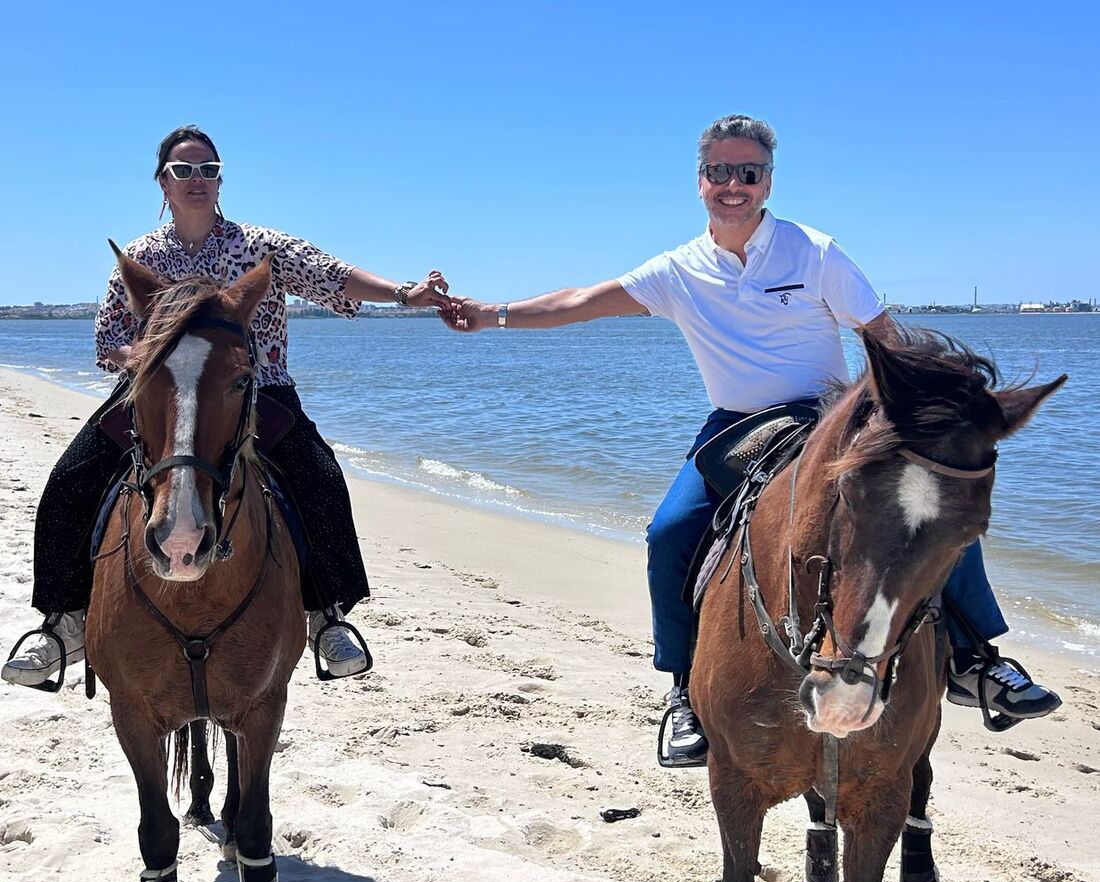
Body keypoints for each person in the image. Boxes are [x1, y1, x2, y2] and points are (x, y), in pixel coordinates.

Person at [445, 113, 1061, 766]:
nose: (733, 184)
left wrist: (922, 415)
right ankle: (683, 691)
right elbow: (582, 301)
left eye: (749, 172)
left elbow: (883, 336)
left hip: (825, 421)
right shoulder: (678, 270)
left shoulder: (815, 251)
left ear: (767, 182)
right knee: (668, 533)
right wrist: (493, 316)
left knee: (925, 510)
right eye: (720, 171)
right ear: (700, 180)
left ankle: (978, 661)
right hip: (735, 425)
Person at [3, 124, 455, 688]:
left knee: (321, 477)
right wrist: (154, 362)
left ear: (220, 181)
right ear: (162, 184)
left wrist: (407, 294)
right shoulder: (142, 256)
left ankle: (324, 616)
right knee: (70, 479)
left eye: (208, 170)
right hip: (160, 393)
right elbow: (108, 338)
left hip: (257, 391)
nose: (197, 180)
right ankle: (63, 621)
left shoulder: (259, 246)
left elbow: (331, 275)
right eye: (183, 170)